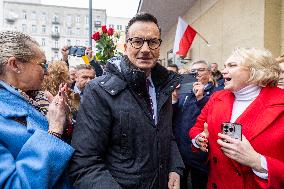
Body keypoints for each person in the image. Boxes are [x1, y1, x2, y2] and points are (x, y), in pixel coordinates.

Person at [69, 12, 185, 189]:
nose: (145, 49)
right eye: (137, 41)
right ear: (126, 46)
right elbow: (85, 163)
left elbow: (166, 135)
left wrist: (175, 167)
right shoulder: (99, 91)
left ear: (159, 46)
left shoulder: (163, 88)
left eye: (152, 42)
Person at [189, 47, 284, 189]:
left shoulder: (280, 103)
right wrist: (198, 139)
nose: (223, 71)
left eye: (232, 65)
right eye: (224, 66)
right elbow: (197, 127)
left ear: (255, 70)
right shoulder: (217, 98)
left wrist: (258, 162)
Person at [0, 31, 74, 188]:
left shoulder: (30, 97)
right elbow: (15, 185)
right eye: (42, 65)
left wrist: (64, 120)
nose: (46, 71)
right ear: (15, 65)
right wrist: (54, 131)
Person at [173, 60, 222, 189]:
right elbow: (174, 116)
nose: (196, 73)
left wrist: (201, 97)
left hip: (200, 153)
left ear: (209, 72)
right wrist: (174, 99)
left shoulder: (216, 93)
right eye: (193, 71)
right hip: (181, 151)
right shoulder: (184, 92)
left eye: (200, 70)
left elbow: (215, 116)